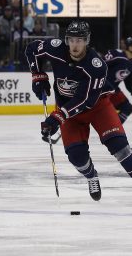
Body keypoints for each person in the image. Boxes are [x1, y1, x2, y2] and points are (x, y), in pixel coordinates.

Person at [25, 20, 132, 201]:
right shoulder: (55, 47)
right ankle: (92, 176)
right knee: (76, 156)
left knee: (120, 147)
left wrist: (59, 116)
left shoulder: (96, 66)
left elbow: (85, 100)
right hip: (69, 113)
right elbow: (32, 49)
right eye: (72, 40)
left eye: (80, 40)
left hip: (97, 107)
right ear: (66, 40)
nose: (75, 45)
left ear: (87, 41)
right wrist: (38, 76)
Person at [104, 44, 132, 123]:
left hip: (112, 90)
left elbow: (130, 84)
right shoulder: (118, 55)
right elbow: (99, 64)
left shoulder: (130, 64)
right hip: (98, 88)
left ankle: (113, 131)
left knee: (127, 108)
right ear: (129, 47)